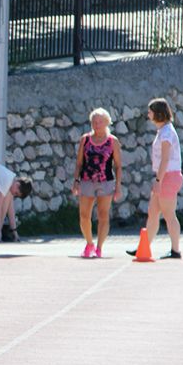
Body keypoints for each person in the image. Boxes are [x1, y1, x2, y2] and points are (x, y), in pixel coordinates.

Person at [128, 98, 183, 259]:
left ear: (158, 113)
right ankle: (143, 247)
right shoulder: (163, 131)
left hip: (168, 177)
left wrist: (158, 181)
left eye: (150, 111)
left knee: (169, 214)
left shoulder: (166, 132)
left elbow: (165, 159)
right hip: (164, 176)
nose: (148, 114)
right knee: (153, 212)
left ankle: (175, 250)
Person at [71, 108, 122, 258]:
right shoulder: (85, 139)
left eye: (100, 122)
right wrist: (76, 181)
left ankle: (99, 247)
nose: (97, 124)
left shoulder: (113, 141)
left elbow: (118, 166)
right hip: (87, 181)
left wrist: (118, 186)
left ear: (107, 122)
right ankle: (89, 243)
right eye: (94, 122)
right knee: (84, 215)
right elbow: (79, 163)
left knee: (103, 215)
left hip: (105, 182)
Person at [0, 163, 33, 243]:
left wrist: (15, 232)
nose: (14, 194)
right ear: (17, 184)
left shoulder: (12, 180)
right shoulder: (7, 181)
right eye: (16, 193)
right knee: (4, 200)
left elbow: (11, 209)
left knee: (8, 197)